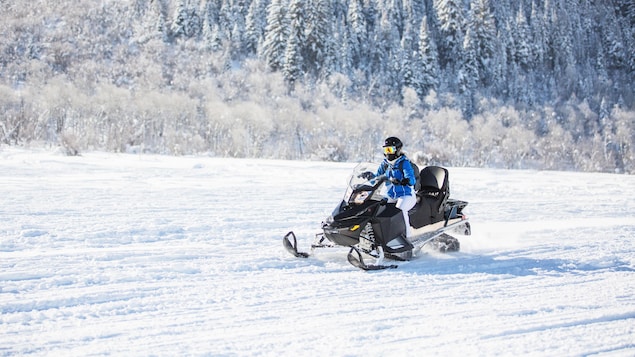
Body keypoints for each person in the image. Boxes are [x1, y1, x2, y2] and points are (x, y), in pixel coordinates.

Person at [362, 137, 417, 238]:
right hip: (391, 195)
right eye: (385, 149)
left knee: (399, 210)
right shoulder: (385, 164)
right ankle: (380, 235)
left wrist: (406, 180)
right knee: (379, 209)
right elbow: (377, 178)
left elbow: (411, 178)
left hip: (405, 195)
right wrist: (369, 176)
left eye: (390, 149)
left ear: (397, 150)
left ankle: (407, 237)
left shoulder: (404, 163)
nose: (387, 153)